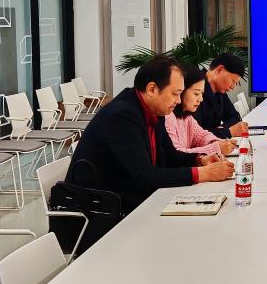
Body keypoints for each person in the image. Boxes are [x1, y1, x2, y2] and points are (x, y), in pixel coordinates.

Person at [68, 57, 235, 212]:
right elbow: (145, 175)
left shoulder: (154, 110)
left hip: (131, 201)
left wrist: (200, 160)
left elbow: (169, 155)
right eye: (175, 93)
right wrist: (203, 174)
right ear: (152, 89)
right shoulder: (122, 116)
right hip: (100, 210)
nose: (178, 100)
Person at [166, 65, 237, 157]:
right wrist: (216, 147)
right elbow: (177, 154)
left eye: (202, 94)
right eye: (196, 94)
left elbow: (202, 136)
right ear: (181, 91)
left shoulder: (187, 117)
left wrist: (218, 142)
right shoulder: (168, 117)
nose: (201, 99)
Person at [196, 52, 249, 139]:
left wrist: (220, 130)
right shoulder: (195, 90)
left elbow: (235, 118)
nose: (233, 87)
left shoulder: (220, 91)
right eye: (233, 81)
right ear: (219, 70)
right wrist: (228, 131)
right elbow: (195, 135)